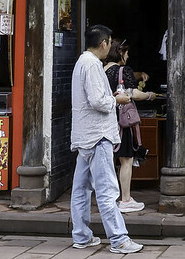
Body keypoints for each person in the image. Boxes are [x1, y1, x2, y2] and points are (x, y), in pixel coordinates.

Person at [70, 25, 143, 254]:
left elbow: (95, 98)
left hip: (84, 135)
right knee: (107, 190)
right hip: (98, 135)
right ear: (103, 43)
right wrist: (117, 100)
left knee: (81, 189)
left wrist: (108, 98)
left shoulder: (83, 62)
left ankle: (82, 236)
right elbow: (98, 102)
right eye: (110, 43)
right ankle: (119, 239)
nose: (110, 47)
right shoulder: (92, 64)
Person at [103, 38, 156, 213]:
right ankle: (125, 200)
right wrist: (149, 95)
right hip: (121, 121)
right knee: (126, 159)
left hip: (105, 120)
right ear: (120, 52)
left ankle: (109, 199)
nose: (128, 56)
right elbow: (132, 93)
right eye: (126, 53)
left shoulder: (101, 70)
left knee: (109, 159)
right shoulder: (123, 70)